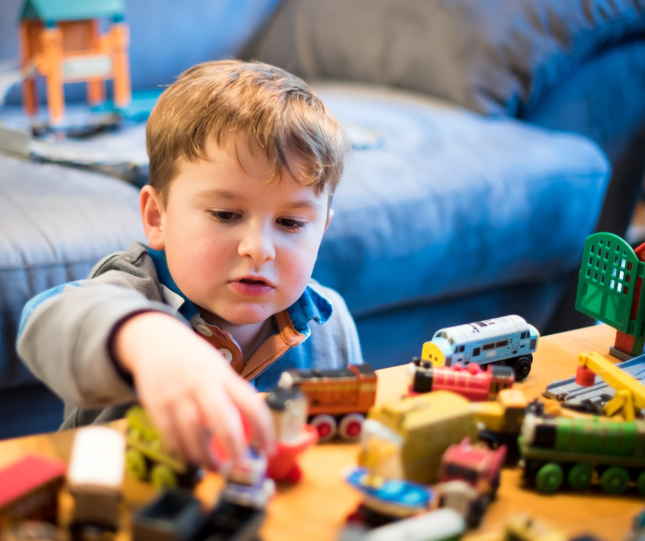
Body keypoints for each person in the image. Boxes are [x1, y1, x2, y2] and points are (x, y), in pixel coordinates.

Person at [17, 60, 362, 468]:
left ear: (321, 229)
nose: (258, 248)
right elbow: (46, 322)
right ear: (157, 217)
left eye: (290, 223)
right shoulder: (131, 290)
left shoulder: (330, 322)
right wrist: (148, 339)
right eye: (225, 214)